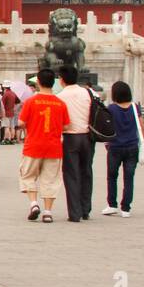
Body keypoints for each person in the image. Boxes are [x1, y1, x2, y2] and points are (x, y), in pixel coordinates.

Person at [18, 69, 68, 223]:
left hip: (33, 145)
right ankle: (48, 211)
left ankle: (33, 203)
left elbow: (21, 123)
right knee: (50, 179)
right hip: (53, 147)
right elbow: (66, 126)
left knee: (28, 175)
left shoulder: (31, 102)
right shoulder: (60, 103)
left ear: (38, 82)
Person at [58, 65, 95, 222]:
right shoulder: (87, 92)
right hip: (87, 137)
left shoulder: (60, 96)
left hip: (70, 137)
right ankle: (86, 209)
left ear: (61, 80)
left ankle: (75, 213)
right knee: (86, 172)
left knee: (72, 174)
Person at [103, 80, 141, 218]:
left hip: (115, 146)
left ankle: (112, 205)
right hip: (132, 146)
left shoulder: (111, 108)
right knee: (129, 178)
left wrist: (106, 142)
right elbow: (140, 126)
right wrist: (143, 142)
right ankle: (126, 208)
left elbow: (107, 127)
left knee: (112, 177)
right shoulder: (134, 107)